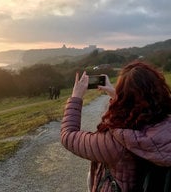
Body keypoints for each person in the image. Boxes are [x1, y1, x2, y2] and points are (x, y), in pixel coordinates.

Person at [60, 61, 171, 192]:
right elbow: (139, 108)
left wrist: (76, 97)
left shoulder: (116, 142)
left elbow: (68, 136)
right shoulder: (166, 124)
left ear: (124, 97)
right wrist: (114, 93)